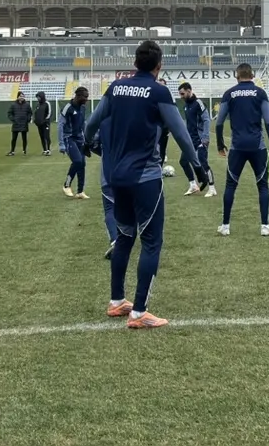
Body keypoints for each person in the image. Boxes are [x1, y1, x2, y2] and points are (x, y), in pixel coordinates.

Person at [84, 40, 204, 329]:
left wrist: (87, 142)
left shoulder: (116, 88)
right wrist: (198, 168)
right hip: (145, 178)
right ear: (159, 65)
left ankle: (116, 301)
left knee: (124, 237)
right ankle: (139, 312)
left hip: (116, 177)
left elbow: (91, 123)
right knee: (151, 242)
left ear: (135, 63)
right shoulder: (159, 91)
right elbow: (181, 134)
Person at [215, 63, 269, 236]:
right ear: (252, 75)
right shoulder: (260, 93)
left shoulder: (229, 94)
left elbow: (219, 122)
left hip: (237, 146)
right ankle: (265, 226)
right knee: (262, 185)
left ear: (237, 76)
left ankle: (225, 226)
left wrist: (220, 144)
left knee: (230, 185)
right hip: (257, 146)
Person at [177, 82, 217, 197]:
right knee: (183, 161)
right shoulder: (186, 106)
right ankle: (193, 185)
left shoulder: (198, 103)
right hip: (189, 140)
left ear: (189, 91)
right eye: (180, 94)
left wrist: (205, 137)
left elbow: (206, 120)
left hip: (200, 140)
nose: (181, 96)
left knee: (203, 163)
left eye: (182, 94)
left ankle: (212, 188)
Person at [86, 123, 118, 259]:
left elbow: (93, 142)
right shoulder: (136, 115)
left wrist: (103, 152)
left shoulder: (104, 118)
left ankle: (115, 240)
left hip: (109, 173)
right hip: (133, 172)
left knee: (110, 208)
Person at [59, 86, 90, 198]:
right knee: (77, 161)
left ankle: (80, 192)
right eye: (85, 97)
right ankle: (66, 185)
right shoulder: (68, 108)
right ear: (78, 96)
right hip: (69, 138)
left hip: (79, 139)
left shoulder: (83, 108)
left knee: (82, 164)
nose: (86, 99)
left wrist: (86, 139)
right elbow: (60, 125)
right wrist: (61, 143)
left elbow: (83, 124)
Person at [6, 91, 33, 156]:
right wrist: (13, 119)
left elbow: (30, 113)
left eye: (23, 96)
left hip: (24, 124)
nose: (22, 97)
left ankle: (24, 151)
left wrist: (28, 119)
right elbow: (9, 113)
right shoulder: (13, 105)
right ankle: (12, 151)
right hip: (16, 124)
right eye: (20, 96)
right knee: (14, 138)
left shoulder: (27, 105)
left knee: (24, 138)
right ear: (18, 97)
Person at [157, 78, 171, 168]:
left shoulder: (168, 98)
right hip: (154, 128)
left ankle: (160, 169)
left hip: (164, 129)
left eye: (163, 84)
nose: (161, 86)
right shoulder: (153, 96)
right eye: (159, 84)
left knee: (162, 149)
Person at [33, 91, 52, 155]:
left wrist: (45, 120)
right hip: (39, 124)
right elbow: (36, 113)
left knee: (47, 136)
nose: (38, 98)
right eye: (37, 97)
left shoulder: (47, 103)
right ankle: (44, 150)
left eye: (39, 97)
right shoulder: (38, 105)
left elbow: (49, 113)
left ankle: (48, 150)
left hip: (46, 124)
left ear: (42, 96)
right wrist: (35, 120)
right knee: (42, 137)